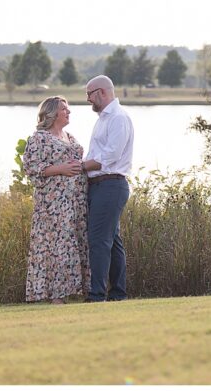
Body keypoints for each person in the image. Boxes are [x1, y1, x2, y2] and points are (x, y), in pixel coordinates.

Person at [22, 96, 101, 304]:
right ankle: (57, 297)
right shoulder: (40, 138)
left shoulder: (70, 137)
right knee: (57, 246)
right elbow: (31, 168)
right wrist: (61, 169)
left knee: (74, 244)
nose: (69, 112)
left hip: (76, 202)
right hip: (53, 204)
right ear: (52, 113)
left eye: (68, 109)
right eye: (64, 109)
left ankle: (78, 291)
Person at [81, 75, 134, 302]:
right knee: (112, 242)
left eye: (89, 94)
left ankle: (97, 295)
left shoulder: (118, 118)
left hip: (111, 184)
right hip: (100, 185)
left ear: (101, 92)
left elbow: (110, 155)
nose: (87, 99)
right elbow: (97, 153)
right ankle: (118, 293)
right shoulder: (103, 118)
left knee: (99, 241)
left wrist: (81, 167)